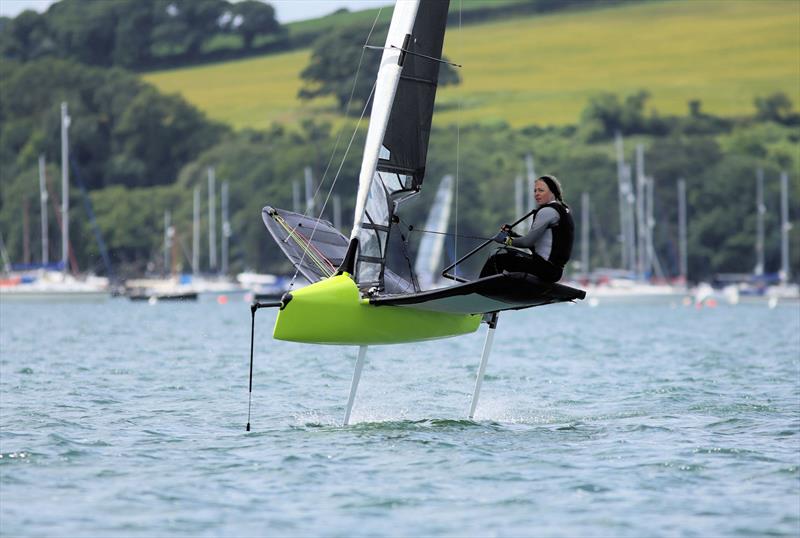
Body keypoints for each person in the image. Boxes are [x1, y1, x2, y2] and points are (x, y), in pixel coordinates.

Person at [480, 174, 574, 283]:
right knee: (509, 258)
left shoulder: (547, 211)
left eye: (541, 190)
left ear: (552, 192)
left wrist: (505, 240)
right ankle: (497, 288)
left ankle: (479, 289)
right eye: (535, 191)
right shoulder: (563, 210)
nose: (536, 194)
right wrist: (513, 234)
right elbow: (538, 246)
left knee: (497, 257)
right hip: (554, 272)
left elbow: (527, 243)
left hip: (544, 269)